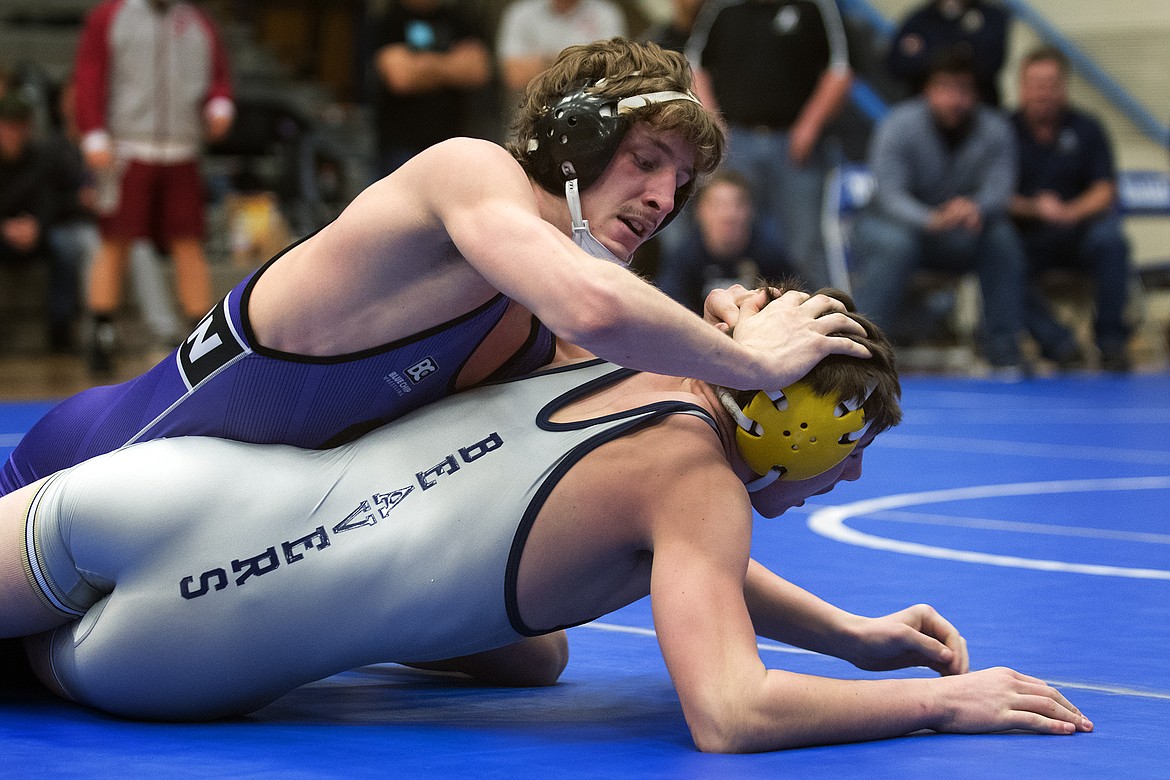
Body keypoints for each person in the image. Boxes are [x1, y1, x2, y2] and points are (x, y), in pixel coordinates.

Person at [0, 288, 1092, 750]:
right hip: (174, 665)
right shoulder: (698, 485)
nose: (846, 484)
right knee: (534, 646)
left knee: (538, 655)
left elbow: (677, 565)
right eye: (849, 453)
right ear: (798, 427)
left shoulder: (612, 342)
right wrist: (943, 705)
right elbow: (730, 711)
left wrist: (851, 638)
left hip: (162, 495)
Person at [0, 38, 869, 506]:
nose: (660, 198)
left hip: (199, 528)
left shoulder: (545, 326)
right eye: (646, 161)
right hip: (82, 474)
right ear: (575, 137)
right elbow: (595, 306)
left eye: (679, 185)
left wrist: (720, 330)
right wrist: (754, 361)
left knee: (528, 655)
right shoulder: (467, 174)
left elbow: (665, 437)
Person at [73, 0, 235, 373]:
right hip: (127, 148)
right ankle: (102, 330)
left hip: (183, 148)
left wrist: (220, 104)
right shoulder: (111, 16)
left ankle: (201, 335)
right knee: (115, 241)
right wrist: (93, 131)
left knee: (188, 240)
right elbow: (90, 75)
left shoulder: (198, 22)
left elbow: (219, 75)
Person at [852, 48, 1026, 373]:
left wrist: (976, 206)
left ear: (975, 93)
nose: (954, 99)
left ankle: (1004, 351)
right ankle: (864, 353)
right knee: (896, 244)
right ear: (928, 90)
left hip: (959, 231)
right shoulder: (898, 124)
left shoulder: (995, 129)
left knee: (1001, 237)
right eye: (945, 88)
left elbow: (1000, 188)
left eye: (963, 89)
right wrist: (929, 218)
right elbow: (889, 193)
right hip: (889, 223)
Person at [684, 0, 852, 291]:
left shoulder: (814, 6)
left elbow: (839, 70)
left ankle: (829, 323)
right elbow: (693, 67)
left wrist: (810, 124)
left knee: (806, 246)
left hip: (794, 145)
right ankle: (727, 326)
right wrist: (713, 124)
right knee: (727, 238)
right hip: (736, 142)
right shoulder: (722, 6)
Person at [1009, 46, 1133, 372]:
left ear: (1063, 86)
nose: (1043, 91)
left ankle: (1111, 342)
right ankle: (1059, 344)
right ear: (1021, 86)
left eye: (1050, 83)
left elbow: (1105, 188)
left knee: (1112, 241)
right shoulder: (1003, 130)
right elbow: (993, 192)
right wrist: (1035, 207)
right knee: (997, 255)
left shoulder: (1087, 128)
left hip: (1080, 231)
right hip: (1027, 234)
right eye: (1035, 83)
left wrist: (1072, 211)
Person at [369, 0, 492, 179]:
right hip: (400, 146)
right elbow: (400, 77)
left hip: (452, 144)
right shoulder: (389, 20)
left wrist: (420, 64)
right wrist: (452, 63)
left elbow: (478, 71)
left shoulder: (458, 20)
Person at [0, 90, 77, 352]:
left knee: (65, 247)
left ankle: (60, 327)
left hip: (36, 232)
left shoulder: (41, 157)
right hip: (3, 234)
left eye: (19, 126)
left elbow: (50, 200)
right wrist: (4, 229)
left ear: (28, 128)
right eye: (8, 126)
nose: (13, 133)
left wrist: (37, 226)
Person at [657, 168, 793, 312]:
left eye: (738, 205)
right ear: (700, 211)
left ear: (751, 211)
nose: (728, 215)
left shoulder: (770, 254)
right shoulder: (684, 258)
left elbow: (796, 298)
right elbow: (668, 307)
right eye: (718, 205)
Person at [885, 0, 1011, 106]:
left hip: (978, 109)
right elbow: (895, 65)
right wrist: (961, 51)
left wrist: (925, 53)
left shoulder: (992, 17)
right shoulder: (920, 19)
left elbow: (990, 63)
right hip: (923, 108)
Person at [496, 0, 627, 94]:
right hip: (529, 119)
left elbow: (612, 71)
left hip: (589, 119)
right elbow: (514, 75)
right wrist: (582, 62)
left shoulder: (606, 14)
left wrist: (542, 64)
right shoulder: (520, 13)